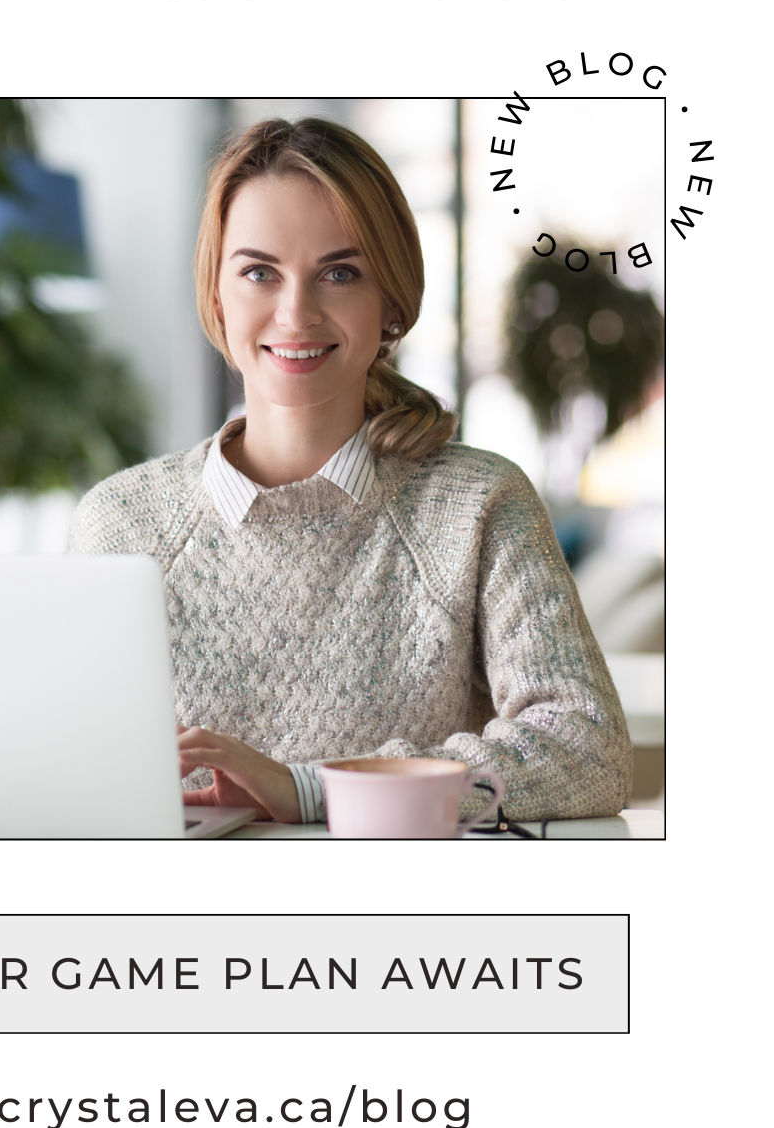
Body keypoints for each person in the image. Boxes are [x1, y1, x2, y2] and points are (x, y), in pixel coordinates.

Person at [68, 116, 631, 825]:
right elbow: (75, 769)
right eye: (258, 272)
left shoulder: (479, 504)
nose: (295, 312)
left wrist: (313, 789)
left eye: (340, 272)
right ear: (216, 295)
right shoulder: (121, 523)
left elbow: (590, 748)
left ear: (391, 302)